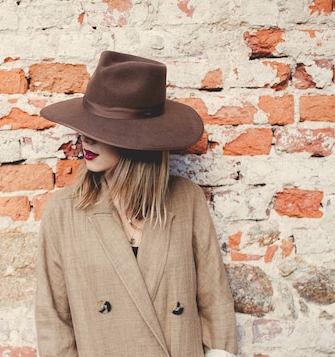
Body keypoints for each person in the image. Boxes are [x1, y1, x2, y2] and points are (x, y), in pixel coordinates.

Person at [35, 51, 238, 357]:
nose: (85, 140)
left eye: (101, 129)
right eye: (87, 127)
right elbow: (54, 321)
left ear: (138, 138)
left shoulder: (186, 200)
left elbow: (215, 301)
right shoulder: (64, 212)